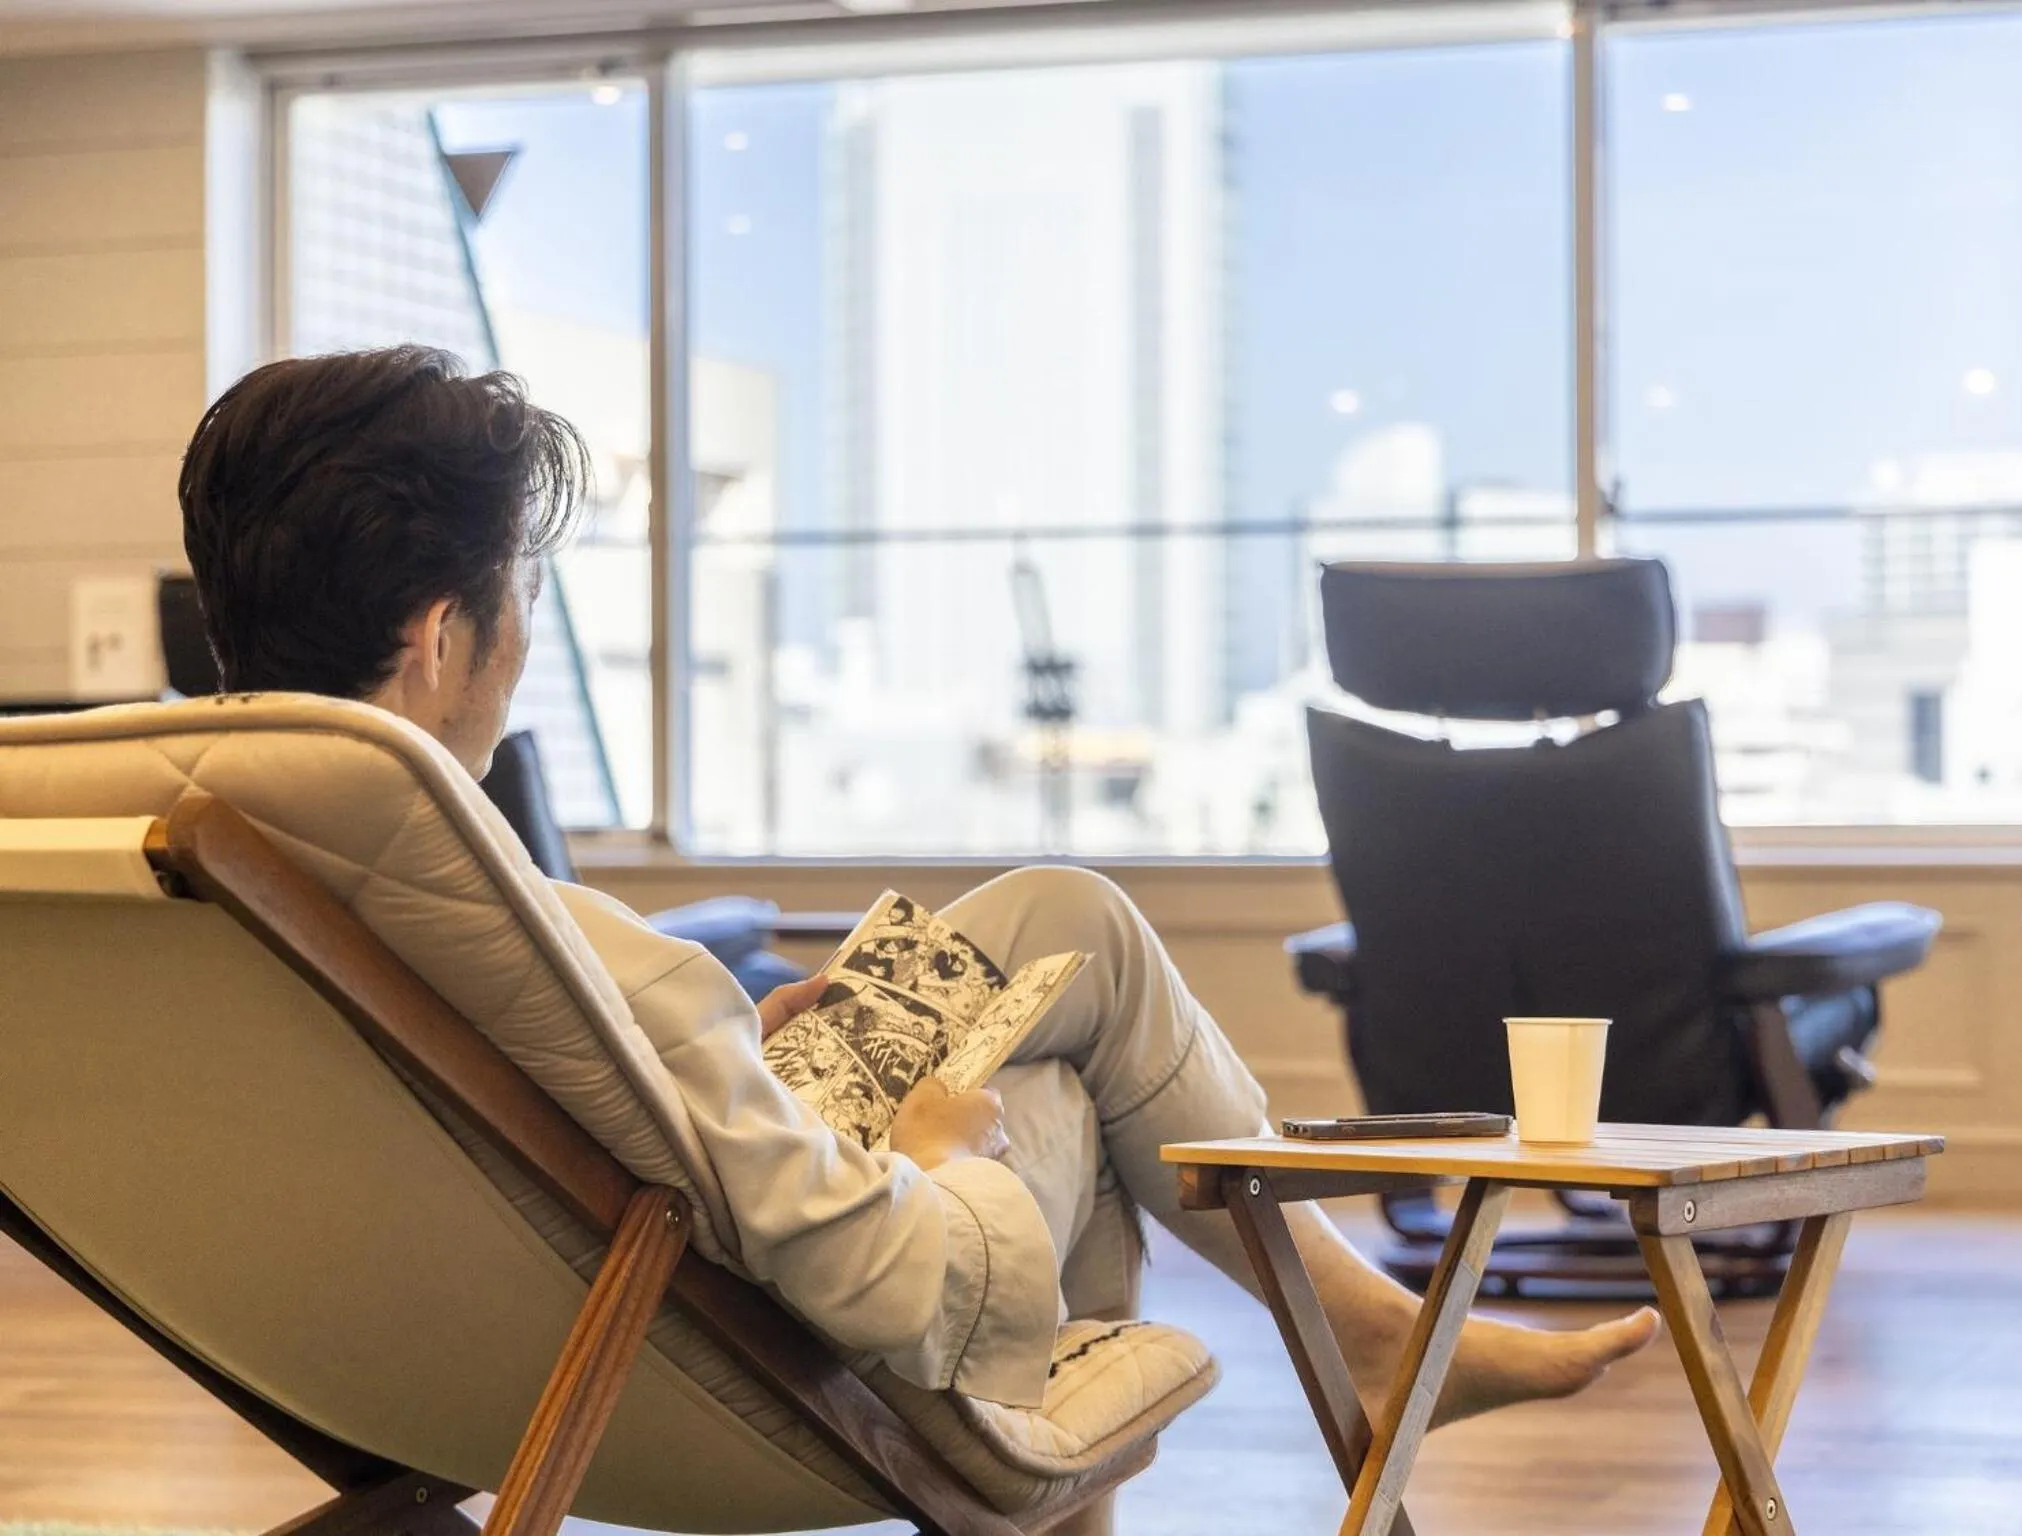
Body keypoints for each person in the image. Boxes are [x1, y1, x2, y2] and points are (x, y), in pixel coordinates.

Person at [178, 348, 1658, 1520]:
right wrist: (959, 1149)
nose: (524, 641)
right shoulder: (526, 918)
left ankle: (1368, 1323)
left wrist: (714, 1057)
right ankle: (1369, 1335)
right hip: (676, 1339)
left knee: (1068, 915)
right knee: (1053, 1082)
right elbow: (894, 1285)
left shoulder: (213, 860)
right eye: (526, 590)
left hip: (413, 1323)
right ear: (443, 636)